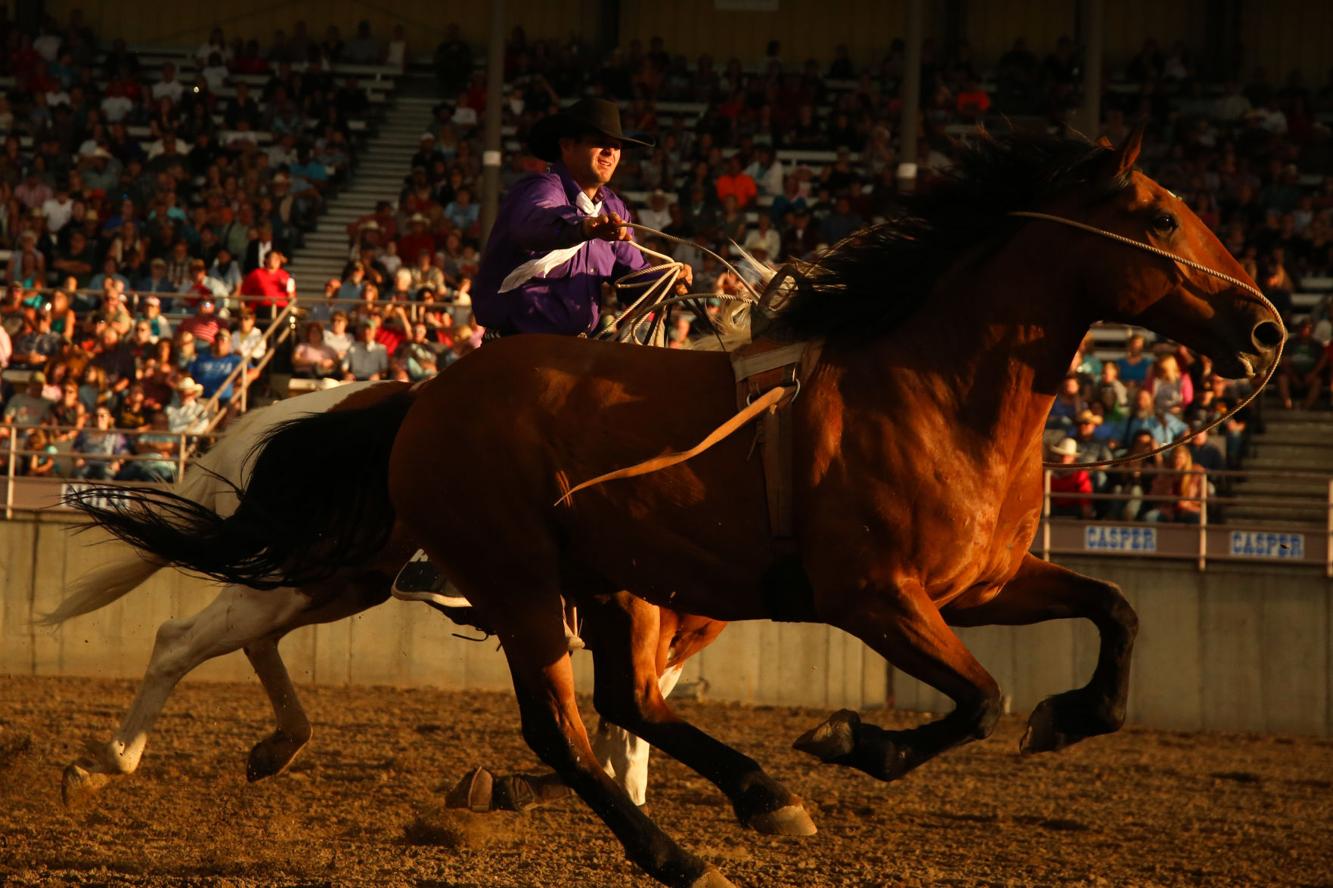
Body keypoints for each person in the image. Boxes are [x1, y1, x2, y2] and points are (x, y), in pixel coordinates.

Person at [471, 98, 691, 337]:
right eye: (599, 142)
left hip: (577, 350)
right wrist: (585, 228)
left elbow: (632, 281)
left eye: (616, 146)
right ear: (567, 146)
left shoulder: (613, 207)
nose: (610, 151)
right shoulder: (540, 188)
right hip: (518, 345)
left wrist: (667, 281)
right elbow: (534, 224)